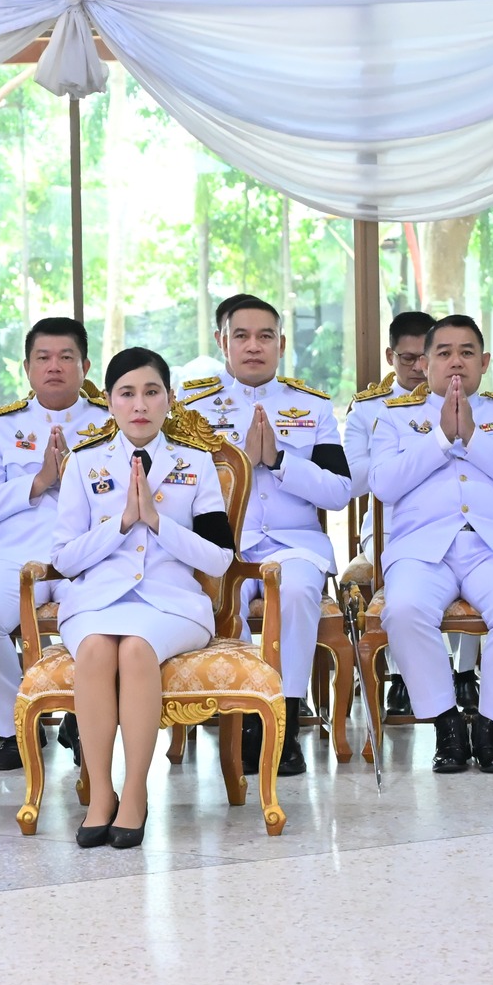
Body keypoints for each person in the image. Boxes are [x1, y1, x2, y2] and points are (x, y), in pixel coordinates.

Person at [53, 348, 234, 848]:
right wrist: (123, 523)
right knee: (95, 649)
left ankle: (135, 791)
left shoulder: (195, 464)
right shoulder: (84, 465)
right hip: (96, 601)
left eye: (151, 392)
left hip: (173, 603)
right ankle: (100, 794)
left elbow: (219, 558)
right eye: (126, 393)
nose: (140, 404)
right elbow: (65, 559)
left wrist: (158, 521)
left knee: (135, 649)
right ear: (109, 402)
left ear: (169, 400)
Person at [182, 294, 353, 777]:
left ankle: (287, 718)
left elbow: (339, 491)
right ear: (222, 342)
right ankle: (242, 716)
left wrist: (280, 461)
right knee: (215, 599)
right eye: (241, 336)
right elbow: (180, 489)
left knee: (296, 591)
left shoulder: (311, 406)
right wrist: (238, 459)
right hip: (225, 544)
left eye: (265, 337)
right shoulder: (193, 410)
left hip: (294, 543)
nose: (253, 346)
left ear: (281, 343)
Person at [370, 315, 493, 774]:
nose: (455, 361)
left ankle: (492, 725)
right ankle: (447, 724)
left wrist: (472, 436)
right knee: (404, 610)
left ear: (484, 362)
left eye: (467, 352)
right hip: (422, 550)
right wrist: (442, 438)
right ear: (424, 363)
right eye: (443, 352)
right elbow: (385, 484)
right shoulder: (395, 417)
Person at [0, 317, 105, 770]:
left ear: (85, 365)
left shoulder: (110, 423)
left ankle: (84, 720)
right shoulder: (3, 427)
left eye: (66, 357)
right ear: (27, 367)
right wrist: (39, 480)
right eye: (43, 358)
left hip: (88, 555)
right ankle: (13, 727)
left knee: (105, 621)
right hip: (16, 555)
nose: (54, 367)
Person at [343, 310, 449, 718]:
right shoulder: (369, 412)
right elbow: (353, 481)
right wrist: (407, 457)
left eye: (428, 356)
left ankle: (462, 675)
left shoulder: (464, 404)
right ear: (390, 356)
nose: (421, 368)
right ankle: (405, 677)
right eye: (409, 358)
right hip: (390, 529)